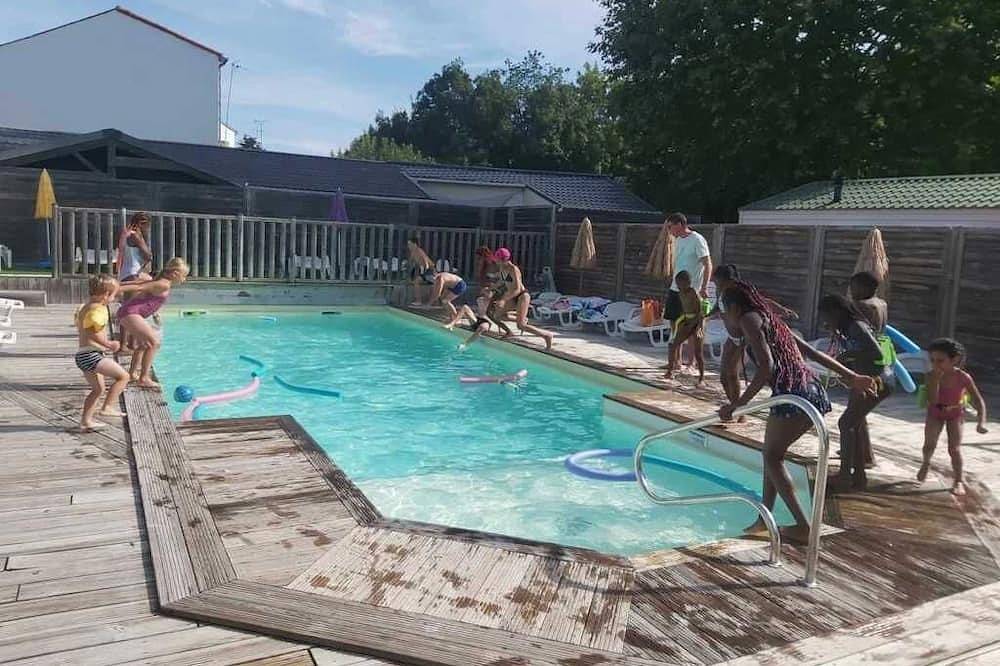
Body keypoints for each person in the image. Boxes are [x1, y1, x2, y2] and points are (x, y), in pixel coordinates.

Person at [718, 280, 875, 544]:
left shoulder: (748, 320)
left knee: (772, 457)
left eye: (725, 311)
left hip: (793, 394)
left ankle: (804, 526)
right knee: (771, 456)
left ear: (734, 308)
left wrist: (738, 405)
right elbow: (811, 352)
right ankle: (764, 518)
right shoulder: (770, 321)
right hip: (808, 390)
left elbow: (766, 367)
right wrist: (851, 376)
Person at [812, 294, 892, 490]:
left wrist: (846, 355)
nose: (825, 320)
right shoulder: (847, 329)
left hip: (879, 381)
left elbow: (877, 353)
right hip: (868, 381)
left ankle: (845, 476)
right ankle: (858, 477)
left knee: (846, 423)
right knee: (853, 425)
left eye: (827, 316)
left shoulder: (857, 327)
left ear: (837, 312)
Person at [711, 264, 798, 422]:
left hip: (743, 337)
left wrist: (780, 309)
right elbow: (719, 307)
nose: (716, 285)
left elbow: (762, 301)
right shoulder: (722, 292)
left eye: (717, 281)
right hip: (732, 337)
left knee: (732, 374)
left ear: (727, 280)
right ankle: (736, 407)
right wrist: (704, 317)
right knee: (724, 377)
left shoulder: (739, 293)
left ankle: (739, 411)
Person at [917, 338, 988, 496]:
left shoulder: (963, 377)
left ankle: (958, 480)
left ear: (954, 360)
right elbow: (933, 400)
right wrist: (935, 380)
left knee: (954, 449)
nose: (935, 364)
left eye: (940, 361)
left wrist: (981, 422)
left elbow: (978, 400)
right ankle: (926, 462)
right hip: (935, 413)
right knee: (929, 444)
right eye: (932, 360)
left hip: (955, 414)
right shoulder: (930, 375)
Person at [116, 257, 189, 388]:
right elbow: (138, 286)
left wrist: (118, 285)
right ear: (175, 274)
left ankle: (132, 374)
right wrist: (115, 289)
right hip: (130, 313)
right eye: (184, 276)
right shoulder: (163, 284)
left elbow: (139, 285)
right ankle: (144, 378)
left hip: (128, 313)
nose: (184, 279)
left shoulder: (160, 282)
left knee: (144, 345)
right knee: (154, 343)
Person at [74, 274, 130, 432]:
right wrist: (109, 344)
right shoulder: (97, 310)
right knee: (123, 376)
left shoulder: (86, 307)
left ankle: (86, 421)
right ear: (106, 294)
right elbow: (91, 332)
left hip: (83, 355)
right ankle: (107, 407)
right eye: (114, 295)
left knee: (98, 390)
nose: (114, 298)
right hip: (92, 356)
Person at [492, 247, 554, 350]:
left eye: (497, 259)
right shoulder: (502, 268)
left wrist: (503, 300)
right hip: (512, 297)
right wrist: (492, 288)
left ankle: (546, 335)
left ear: (503, 259)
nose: (496, 262)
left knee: (520, 326)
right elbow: (503, 282)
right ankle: (521, 319)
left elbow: (517, 289)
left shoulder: (513, 269)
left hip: (522, 296)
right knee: (497, 316)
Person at [665, 213, 712, 323]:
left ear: (679, 224)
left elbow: (708, 264)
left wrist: (704, 287)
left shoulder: (697, 240)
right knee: (672, 319)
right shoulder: (677, 240)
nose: (668, 230)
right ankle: (674, 334)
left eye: (670, 226)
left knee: (689, 323)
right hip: (675, 287)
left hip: (690, 291)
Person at [664, 271, 705, 384]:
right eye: (677, 284)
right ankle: (670, 371)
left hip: (697, 323)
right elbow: (684, 310)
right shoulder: (680, 293)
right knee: (673, 345)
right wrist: (682, 322)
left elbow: (700, 313)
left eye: (680, 283)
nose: (678, 286)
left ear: (687, 283)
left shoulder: (693, 293)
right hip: (686, 321)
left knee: (698, 352)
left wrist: (697, 326)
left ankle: (701, 378)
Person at [444, 286, 513, 348]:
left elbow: (497, 315)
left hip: (487, 322)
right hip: (478, 320)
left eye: (489, 292)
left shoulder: (495, 303)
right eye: (485, 292)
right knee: (465, 307)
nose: (487, 293)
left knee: (482, 327)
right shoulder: (480, 300)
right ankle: (452, 324)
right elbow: (479, 311)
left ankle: (465, 344)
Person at [116, 212, 153, 283]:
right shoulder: (136, 236)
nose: (148, 229)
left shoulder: (125, 234)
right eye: (147, 226)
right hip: (135, 273)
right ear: (142, 224)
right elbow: (148, 256)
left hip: (124, 273)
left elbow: (120, 254)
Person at [406, 238, 434, 306]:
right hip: (424, 270)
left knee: (417, 282)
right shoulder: (413, 252)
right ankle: (419, 300)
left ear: (415, 244)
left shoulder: (419, 251)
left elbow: (426, 263)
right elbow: (411, 262)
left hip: (429, 271)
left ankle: (419, 301)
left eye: (410, 244)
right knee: (414, 281)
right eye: (408, 244)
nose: (408, 246)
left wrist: (423, 273)